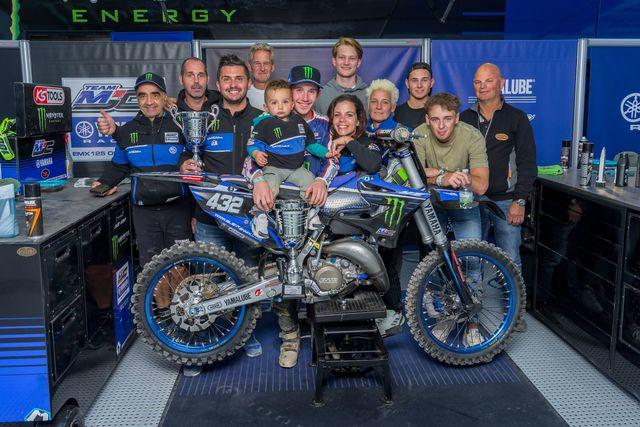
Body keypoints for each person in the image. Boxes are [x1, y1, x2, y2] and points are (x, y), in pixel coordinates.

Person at [179, 54, 265, 360]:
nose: (233, 84)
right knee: (207, 283)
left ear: (249, 83)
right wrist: (185, 163)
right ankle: (207, 341)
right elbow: (188, 155)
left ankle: (245, 335)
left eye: (239, 78)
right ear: (218, 83)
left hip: (248, 217)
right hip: (209, 217)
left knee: (247, 280)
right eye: (226, 79)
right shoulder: (204, 119)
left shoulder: (262, 120)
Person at [248, 65, 332, 369]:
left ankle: (324, 336)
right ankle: (290, 338)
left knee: (319, 275)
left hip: (315, 211)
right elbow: (250, 160)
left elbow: (332, 158)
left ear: (318, 94)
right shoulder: (265, 121)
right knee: (280, 276)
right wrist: (259, 179)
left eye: (311, 91)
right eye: (298, 91)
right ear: (287, 93)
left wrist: (321, 181)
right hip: (278, 214)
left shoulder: (325, 123)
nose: (304, 97)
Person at [412, 93, 489, 346]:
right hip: (433, 206)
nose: (441, 125)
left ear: (456, 118)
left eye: (447, 119)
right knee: (435, 265)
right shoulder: (419, 134)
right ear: (427, 120)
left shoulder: (471, 135)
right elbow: (411, 175)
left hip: (464, 205)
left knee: (472, 263)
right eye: (435, 119)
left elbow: (481, 185)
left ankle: (472, 323)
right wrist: (445, 176)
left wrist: (434, 175)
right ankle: (445, 318)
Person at [92, 72, 191, 267]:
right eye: (142, 95)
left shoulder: (181, 126)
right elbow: (119, 166)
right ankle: (159, 291)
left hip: (178, 209)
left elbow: (192, 158)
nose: (149, 101)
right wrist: (104, 183)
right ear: (137, 99)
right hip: (144, 213)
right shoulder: (127, 131)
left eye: (155, 94)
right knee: (152, 270)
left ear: (164, 96)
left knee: (181, 267)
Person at [459, 63, 537, 272]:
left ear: (501, 83)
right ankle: (473, 295)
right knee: (470, 260)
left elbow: (528, 163)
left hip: (506, 201)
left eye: (488, 81)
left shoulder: (516, 117)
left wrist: (519, 201)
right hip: (472, 200)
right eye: (478, 82)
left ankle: (513, 295)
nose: (482, 86)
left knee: (510, 260)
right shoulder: (463, 119)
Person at [246, 79, 335, 237]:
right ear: (266, 107)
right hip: (273, 168)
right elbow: (253, 144)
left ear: (292, 104)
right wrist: (256, 153)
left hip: (296, 168)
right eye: (274, 103)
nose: (280, 107)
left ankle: (311, 213)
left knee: (310, 181)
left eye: (285, 102)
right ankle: (260, 215)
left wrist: (326, 153)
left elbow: (310, 144)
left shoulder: (299, 122)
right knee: (270, 187)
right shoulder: (263, 123)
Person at [315, 37, 368, 115]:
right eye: (342, 57)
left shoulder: (369, 95)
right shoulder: (321, 95)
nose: (346, 62)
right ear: (334, 61)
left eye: (352, 58)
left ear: (358, 63)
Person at [394, 62, 434, 130]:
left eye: (424, 80)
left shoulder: (440, 112)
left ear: (431, 82)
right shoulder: (395, 114)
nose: (419, 85)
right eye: (414, 80)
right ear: (407, 83)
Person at [246, 42, 275, 111]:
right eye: (257, 63)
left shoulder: (283, 92)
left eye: (266, 63)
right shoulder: (242, 94)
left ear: (272, 67)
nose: (262, 68)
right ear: (249, 67)